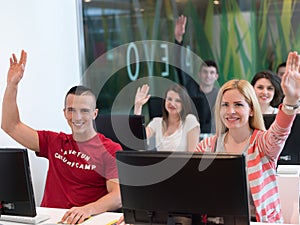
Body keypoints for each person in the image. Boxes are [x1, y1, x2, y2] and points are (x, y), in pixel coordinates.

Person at [1, 50, 122, 225]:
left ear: (95, 114)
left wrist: (88, 209)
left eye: (84, 111)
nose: (77, 117)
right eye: (71, 110)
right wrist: (12, 85)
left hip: (82, 220)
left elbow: (117, 195)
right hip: (48, 219)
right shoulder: (54, 142)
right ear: (64, 112)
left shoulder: (109, 149)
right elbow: (10, 126)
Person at [195, 51, 300, 223]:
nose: (230, 111)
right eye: (225, 105)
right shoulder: (206, 146)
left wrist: (290, 102)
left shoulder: (262, 142)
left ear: (251, 109)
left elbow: (280, 131)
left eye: (238, 105)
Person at [174, 15, 219, 133]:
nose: (208, 75)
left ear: (216, 77)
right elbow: (179, 64)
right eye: (205, 72)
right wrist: (178, 38)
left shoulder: (220, 95)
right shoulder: (190, 87)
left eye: (211, 72)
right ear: (199, 74)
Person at [134, 84, 200, 152]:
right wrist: (138, 106)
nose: (172, 103)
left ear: (183, 104)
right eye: (169, 99)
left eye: (177, 100)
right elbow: (138, 138)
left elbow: (193, 157)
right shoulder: (157, 122)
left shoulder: (190, 120)